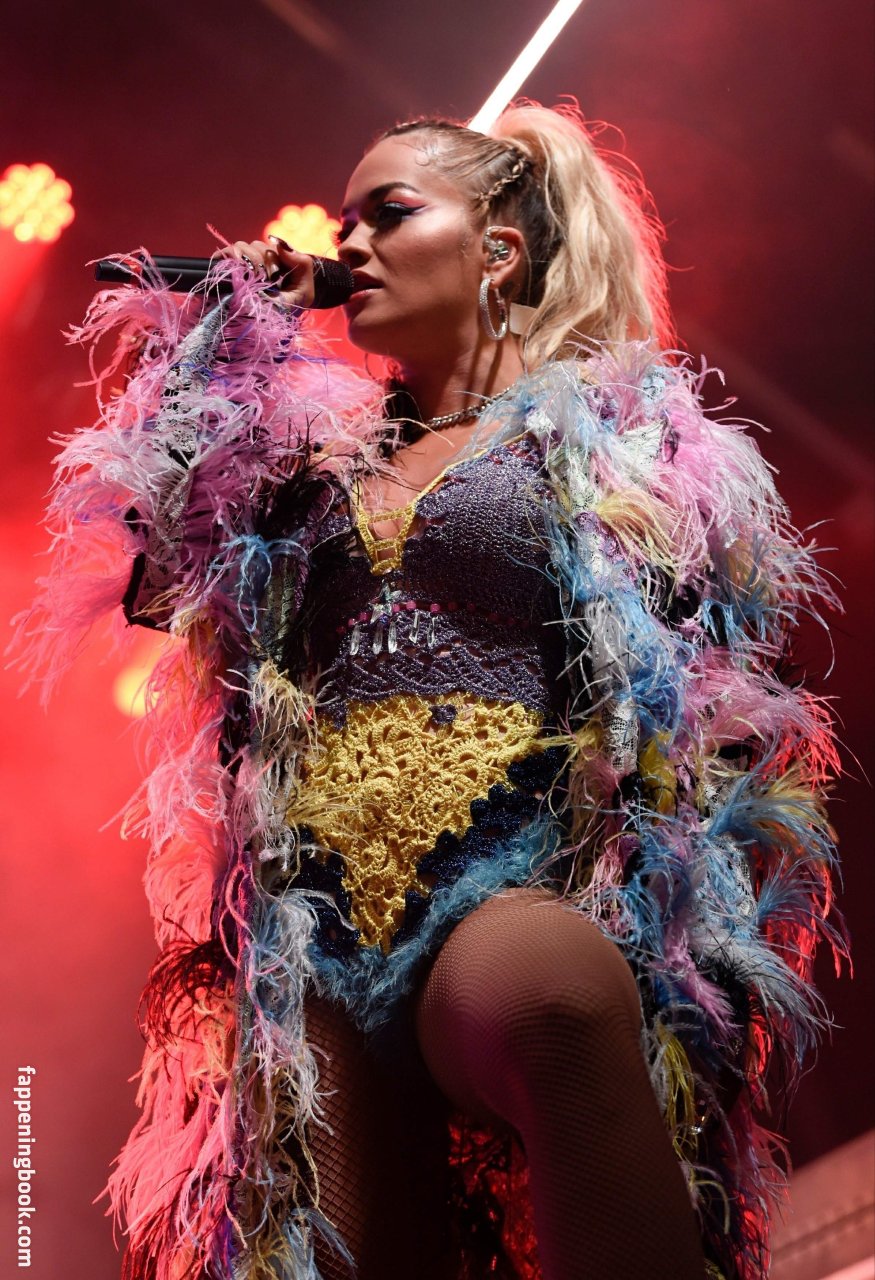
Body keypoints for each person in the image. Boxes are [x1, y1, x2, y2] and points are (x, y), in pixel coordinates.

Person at [19, 102, 843, 1280]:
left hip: (498, 887)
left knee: (555, 999)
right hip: (314, 926)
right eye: (343, 222)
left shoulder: (610, 436)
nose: (349, 244)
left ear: (496, 250)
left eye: (388, 213)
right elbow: (161, 574)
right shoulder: (309, 467)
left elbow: (703, 696)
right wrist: (220, 347)